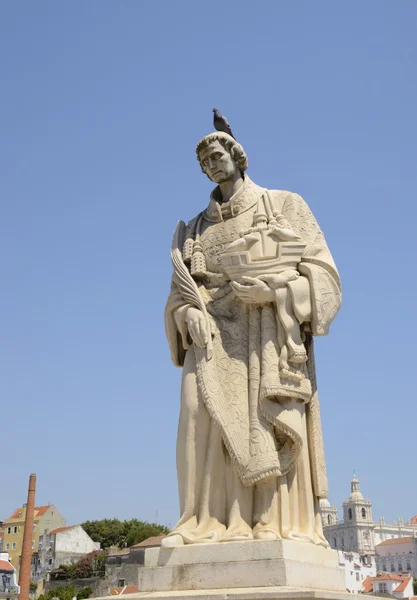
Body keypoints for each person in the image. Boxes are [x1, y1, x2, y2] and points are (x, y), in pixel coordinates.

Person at [164, 131, 341, 547]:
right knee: (195, 414)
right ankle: (201, 522)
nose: (212, 163)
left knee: (263, 420)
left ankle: (269, 521)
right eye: (203, 159)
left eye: (217, 153)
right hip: (210, 336)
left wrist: (275, 293)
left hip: (266, 330)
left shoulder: (282, 205)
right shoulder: (193, 229)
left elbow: (326, 278)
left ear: (237, 155)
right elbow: (178, 293)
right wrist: (186, 312)